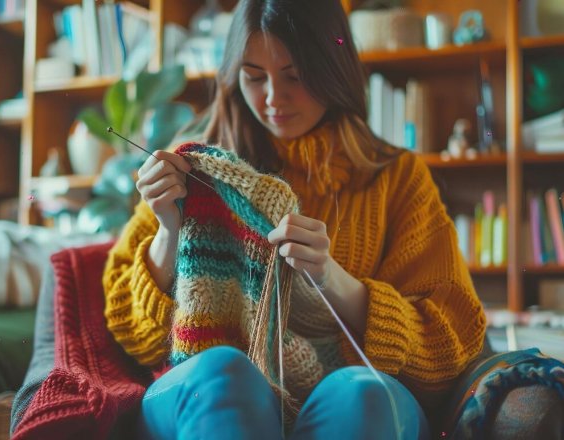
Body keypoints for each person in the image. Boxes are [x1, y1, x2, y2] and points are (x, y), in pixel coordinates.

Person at [102, 0, 486, 439]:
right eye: (253, 76)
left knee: (365, 394)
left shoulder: (396, 179)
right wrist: (169, 230)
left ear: (332, 69)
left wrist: (332, 279)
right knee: (224, 373)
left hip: (346, 397)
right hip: (209, 394)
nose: (271, 98)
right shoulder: (197, 166)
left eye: (295, 76)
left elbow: (449, 343)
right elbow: (133, 335)